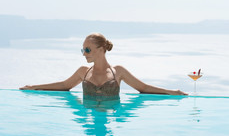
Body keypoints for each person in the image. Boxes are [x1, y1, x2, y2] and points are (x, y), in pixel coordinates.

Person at [20, 33, 187, 96]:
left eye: (87, 49)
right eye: (83, 50)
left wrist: (171, 91)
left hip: (110, 117)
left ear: (100, 49)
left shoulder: (118, 71)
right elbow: (64, 85)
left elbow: (142, 88)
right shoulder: (83, 72)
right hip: (86, 118)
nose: (84, 53)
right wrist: (34, 86)